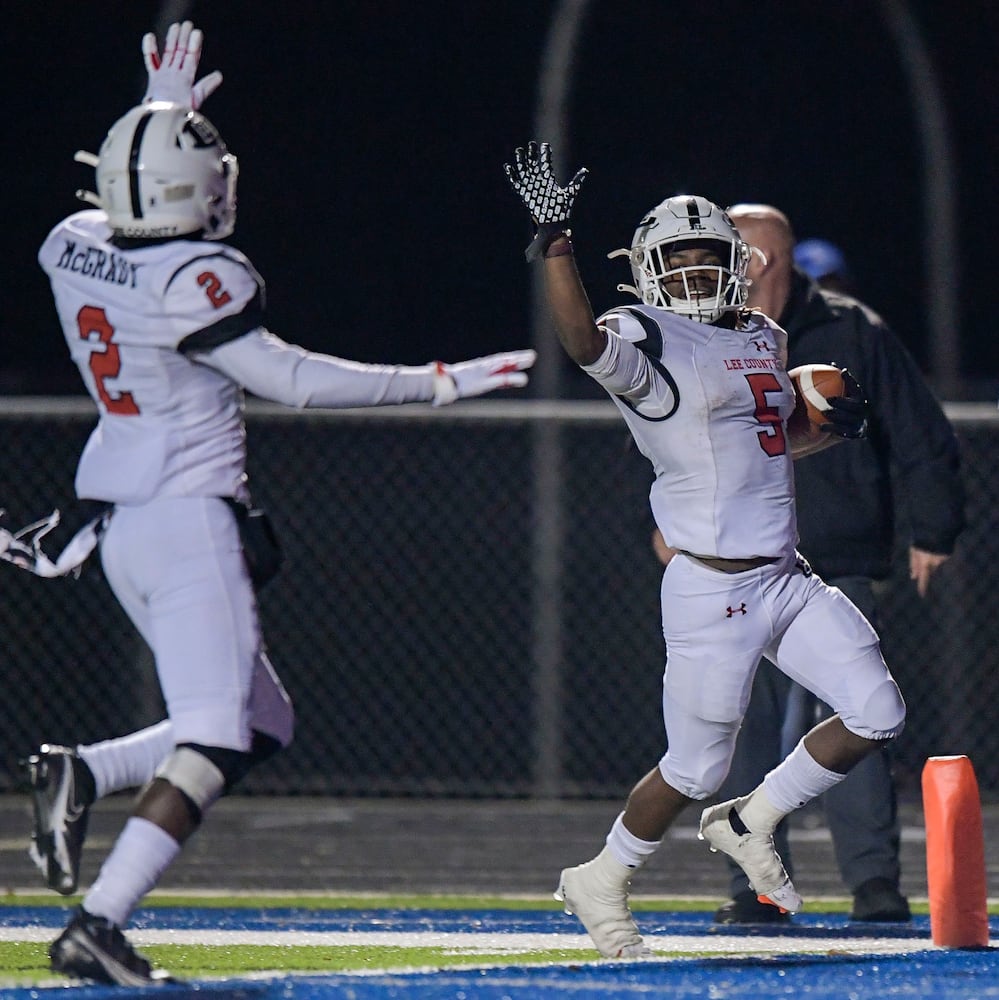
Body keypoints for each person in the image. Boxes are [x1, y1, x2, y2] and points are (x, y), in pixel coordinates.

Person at [3, 22, 535, 986]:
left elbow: (126, 200)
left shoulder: (71, 246)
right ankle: (100, 923)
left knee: (261, 720)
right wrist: (437, 381)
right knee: (213, 734)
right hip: (186, 517)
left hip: (121, 519)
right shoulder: (198, 279)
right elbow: (290, 378)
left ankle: (84, 770)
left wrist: (164, 115)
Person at [504, 141, 905, 959]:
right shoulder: (644, 340)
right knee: (692, 770)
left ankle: (750, 820)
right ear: (648, 271)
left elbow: (760, 446)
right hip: (711, 590)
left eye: (703, 260)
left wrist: (819, 432)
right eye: (674, 262)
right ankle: (602, 876)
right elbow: (581, 341)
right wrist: (553, 243)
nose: (690, 274)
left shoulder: (762, 333)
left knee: (879, 712)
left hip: (785, 577)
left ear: (735, 264)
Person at [706, 205, 965, 925]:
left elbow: (918, 429)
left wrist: (932, 529)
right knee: (742, 723)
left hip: (834, 554)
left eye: (755, 256)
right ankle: (754, 888)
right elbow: (664, 438)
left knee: (855, 714)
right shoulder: (705, 335)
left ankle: (872, 883)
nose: (746, 270)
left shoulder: (852, 329)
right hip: (739, 563)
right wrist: (657, 525)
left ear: (781, 259)